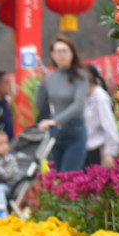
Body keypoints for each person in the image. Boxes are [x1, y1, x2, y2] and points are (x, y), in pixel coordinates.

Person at [35, 35, 88, 173]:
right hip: (56, 134)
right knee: (57, 177)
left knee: (68, 176)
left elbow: (78, 106)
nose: (62, 55)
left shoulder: (81, 76)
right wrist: (41, 82)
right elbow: (39, 105)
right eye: (58, 51)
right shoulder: (51, 77)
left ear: (72, 53)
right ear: (52, 55)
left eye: (65, 51)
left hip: (74, 132)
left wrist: (54, 121)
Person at [83, 65, 119, 168]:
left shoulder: (100, 98)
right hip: (85, 150)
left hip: (98, 151)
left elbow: (109, 126)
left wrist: (110, 153)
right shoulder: (83, 98)